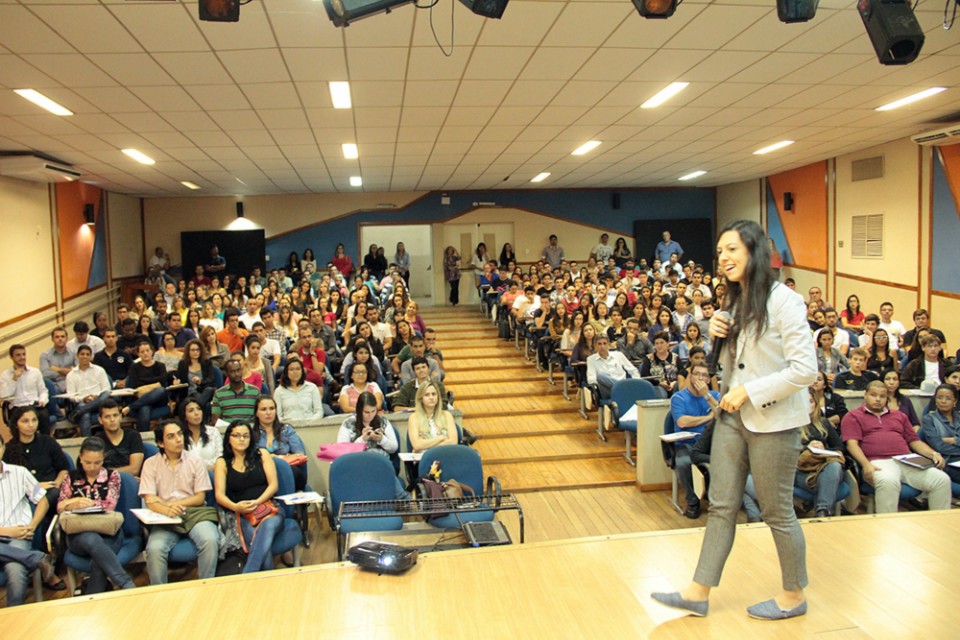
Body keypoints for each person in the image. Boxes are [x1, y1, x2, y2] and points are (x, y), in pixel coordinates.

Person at [652, 219, 817, 621]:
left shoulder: (784, 301)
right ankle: (698, 591)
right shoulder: (733, 301)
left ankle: (794, 595)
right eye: (720, 251)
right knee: (722, 504)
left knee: (777, 510)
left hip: (774, 421)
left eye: (732, 250)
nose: (723, 258)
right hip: (732, 416)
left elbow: (805, 370)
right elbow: (736, 366)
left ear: (754, 252)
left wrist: (751, 392)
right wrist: (718, 336)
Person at [841, 381, 950, 514]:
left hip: (906, 459)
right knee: (888, 482)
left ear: (887, 398)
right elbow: (852, 444)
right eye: (873, 395)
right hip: (877, 461)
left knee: (941, 479)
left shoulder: (899, 416)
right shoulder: (852, 416)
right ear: (865, 395)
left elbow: (914, 441)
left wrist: (934, 454)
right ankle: (887, 529)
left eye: (882, 396)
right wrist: (865, 464)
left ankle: (940, 526)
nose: (877, 399)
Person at [139, 420, 220, 585]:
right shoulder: (150, 464)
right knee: (155, 549)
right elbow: (149, 500)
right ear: (160, 443)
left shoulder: (195, 460)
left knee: (210, 539)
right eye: (171, 436)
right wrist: (165, 509)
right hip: (164, 517)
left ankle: (207, 587)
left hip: (194, 512)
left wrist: (168, 504)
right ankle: (160, 594)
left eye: (180, 434)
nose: (178, 439)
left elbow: (199, 498)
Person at [56, 436, 135, 593]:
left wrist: (90, 504)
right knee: (92, 540)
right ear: (80, 458)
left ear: (103, 458)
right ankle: (125, 583)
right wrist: (74, 503)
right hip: (79, 534)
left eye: (97, 462)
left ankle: (93, 600)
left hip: (107, 531)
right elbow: (60, 506)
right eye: (88, 462)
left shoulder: (112, 476)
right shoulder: (70, 478)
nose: (92, 467)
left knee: (99, 559)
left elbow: (110, 504)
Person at [214, 421, 283, 574]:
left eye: (245, 436)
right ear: (228, 439)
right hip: (243, 513)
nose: (241, 439)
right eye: (237, 436)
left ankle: (248, 575)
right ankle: (268, 583)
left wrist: (257, 502)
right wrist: (235, 507)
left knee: (266, 528)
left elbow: (273, 485)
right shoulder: (222, 462)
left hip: (269, 508)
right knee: (258, 543)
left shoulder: (262, 454)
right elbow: (219, 495)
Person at [0, 435, 61, 606]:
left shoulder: (20, 473)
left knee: (15, 569)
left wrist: (32, 526)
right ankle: (36, 557)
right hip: (7, 532)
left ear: (3, 448)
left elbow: (42, 500)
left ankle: (14, 617)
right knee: (18, 564)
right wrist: (5, 531)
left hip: (19, 534)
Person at [3, 406, 71, 542]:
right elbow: (9, 480)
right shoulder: (9, 448)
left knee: (50, 497)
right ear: (16, 424)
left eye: (34, 420)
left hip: (51, 490)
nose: (31, 425)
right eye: (25, 421)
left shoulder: (48, 442)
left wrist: (57, 483)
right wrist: (38, 486)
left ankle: (43, 544)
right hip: (23, 493)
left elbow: (64, 468)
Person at [670, 362, 721, 519]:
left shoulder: (715, 396)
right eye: (697, 374)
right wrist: (708, 418)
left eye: (704, 375)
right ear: (690, 376)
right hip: (687, 443)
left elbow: (722, 415)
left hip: (711, 443)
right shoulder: (678, 397)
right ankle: (692, 502)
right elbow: (682, 422)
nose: (700, 378)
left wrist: (707, 396)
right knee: (685, 463)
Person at [796, 389, 846, 518]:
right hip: (802, 470)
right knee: (827, 481)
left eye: (811, 401)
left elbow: (840, 447)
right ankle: (823, 511)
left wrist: (824, 449)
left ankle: (821, 511)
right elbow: (784, 450)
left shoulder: (824, 422)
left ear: (816, 403)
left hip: (825, 467)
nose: (808, 405)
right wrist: (806, 448)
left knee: (835, 466)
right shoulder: (791, 425)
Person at [252, 396, 308, 491]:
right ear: (256, 413)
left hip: (288, 471)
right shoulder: (251, 433)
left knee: (293, 472)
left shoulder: (286, 429)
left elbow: (300, 454)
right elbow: (250, 458)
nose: (268, 413)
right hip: (262, 474)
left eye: (272, 408)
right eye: (263, 409)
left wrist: (278, 458)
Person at [122, 341, 175, 432]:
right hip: (139, 399)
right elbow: (135, 384)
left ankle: (131, 407)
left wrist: (144, 382)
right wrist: (154, 383)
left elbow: (162, 381)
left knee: (161, 390)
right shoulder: (134, 367)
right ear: (138, 354)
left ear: (152, 351)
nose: (145, 353)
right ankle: (144, 438)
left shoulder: (160, 366)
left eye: (147, 350)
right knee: (145, 408)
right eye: (142, 352)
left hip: (158, 400)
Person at [65, 345, 112, 435]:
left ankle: (79, 411)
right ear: (77, 356)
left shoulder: (99, 370)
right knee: (85, 415)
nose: (85, 356)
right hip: (82, 402)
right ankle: (87, 441)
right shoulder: (71, 375)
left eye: (87, 354)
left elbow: (106, 388)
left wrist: (96, 396)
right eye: (82, 354)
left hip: (99, 402)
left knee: (106, 394)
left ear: (91, 356)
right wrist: (83, 398)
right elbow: (71, 395)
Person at [1, 344, 50, 428]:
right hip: (17, 407)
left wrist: (42, 400)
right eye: (18, 355)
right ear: (11, 357)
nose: (22, 357)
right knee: (20, 420)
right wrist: (14, 379)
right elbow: (4, 396)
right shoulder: (5, 375)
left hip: (33, 405)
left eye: (24, 354)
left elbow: (43, 391)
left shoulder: (35, 372)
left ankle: (44, 440)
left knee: (44, 415)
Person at [920, 384, 960, 484]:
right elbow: (939, 446)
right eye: (939, 398)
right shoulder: (929, 419)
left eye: (948, 398)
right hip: (945, 462)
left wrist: (953, 440)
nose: (943, 401)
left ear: (955, 402)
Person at [93, 400, 145, 476]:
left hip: (130, 482)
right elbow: (94, 471)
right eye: (107, 417)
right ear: (100, 420)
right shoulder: (96, 441)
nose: (112, 420)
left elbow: (134, 469)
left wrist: (106, 473)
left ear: (121, 416)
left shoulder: (133, 435)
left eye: (115, 415)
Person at [586, 334, 640, 401]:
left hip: (622, 383)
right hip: (607, 390)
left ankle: (623, 389)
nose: (602, 346)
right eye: (599, 344)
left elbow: (633, 370)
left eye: (604, 343)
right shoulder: (591, 359)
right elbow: (591, 379)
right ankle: (625, 390)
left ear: (609, 345)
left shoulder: (619, 355)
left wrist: (636, 383)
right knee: (600, 376)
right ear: (595, 346)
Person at [407, 382, 458, 452]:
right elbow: (416, 445)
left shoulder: (447, 415)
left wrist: (426, 445)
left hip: (446, 455)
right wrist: (441, 438)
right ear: (421, 398)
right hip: (425, 458)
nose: (431, 397)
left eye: (433, 394)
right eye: (427, 395)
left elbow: (453, 441)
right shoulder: (414, 418)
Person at [40, 326, 76, 423]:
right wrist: (68, 371)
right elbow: (45, 374)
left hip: (71, 383)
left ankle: (73, 419)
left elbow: (78, 371)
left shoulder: (73, 353)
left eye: (62, 336)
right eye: (57, 337)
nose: (60, 339)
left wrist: (58, 369)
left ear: (66, 338)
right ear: (52, 339)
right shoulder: (45, 355)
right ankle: (62, 419)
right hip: (54, 385)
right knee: (48, 392)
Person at [180, 398, 222, 470]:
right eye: (191, 410)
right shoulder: (180, 435)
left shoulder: (213, 432)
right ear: (184, 416)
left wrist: (199, 466)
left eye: (199, 409)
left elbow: (220, 458)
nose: (196, 413)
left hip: (212, 475)